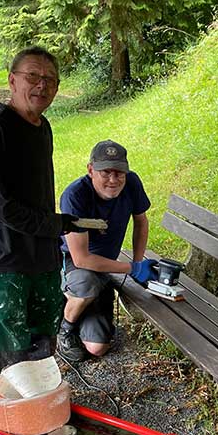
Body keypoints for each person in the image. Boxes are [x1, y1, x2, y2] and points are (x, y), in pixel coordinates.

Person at [0, 46, 98, 393]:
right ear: (12, 81)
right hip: (4, 258)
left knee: (43, 346)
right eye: (33, 77)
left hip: (41, 256)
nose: (42, 85)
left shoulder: (43, 127)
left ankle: (35, 417)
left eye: (50, 80)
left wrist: (57, 228)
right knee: (9, 353)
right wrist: (54, 225)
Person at [56, 141, 155, 361]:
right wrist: (132, 267)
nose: (113, 179)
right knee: (86, 283)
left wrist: (138, 262)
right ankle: (66, 328)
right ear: (91, 170)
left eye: (119, 172)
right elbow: (81, 259)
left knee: (97, 347)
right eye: (105, 172)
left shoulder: (132, 184)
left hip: (103, 265)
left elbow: (141, 221)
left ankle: (85, 299)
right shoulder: (75, 196)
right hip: (74, 262)